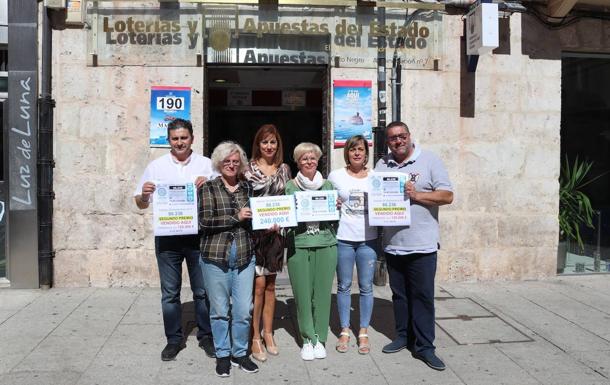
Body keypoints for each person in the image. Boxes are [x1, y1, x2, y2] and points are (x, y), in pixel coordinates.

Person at [133, 118, 215, 361]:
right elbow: (139, 203)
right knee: (170, 293)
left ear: (192, 138)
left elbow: (222, 194)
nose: (180, 142)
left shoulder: (207, 164)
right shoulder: (156, 166)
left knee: (202, 291)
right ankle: (174, 340)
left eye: (184, 138)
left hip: (197, 236)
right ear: (168, 140)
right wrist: (144, 195)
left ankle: (206, 336)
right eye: (175, 138)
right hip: (168, 239)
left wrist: (209, 184)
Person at [375, 121, 453, 371]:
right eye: (392, 138)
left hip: (422, 245)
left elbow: (447, 195)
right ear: (387, 142)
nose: (398, 141)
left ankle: (425, 347)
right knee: (399, 295)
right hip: (394, 245)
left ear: (409, 137)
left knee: (422, 297)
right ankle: (403, 336)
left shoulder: (429, 160)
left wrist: (416, 195)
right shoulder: (381, 164)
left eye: (401, 136)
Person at [199, 141, 259, 377]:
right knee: (220, 310)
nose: (232, 165)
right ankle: (223, 354)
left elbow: (254, 220)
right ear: (219, 163)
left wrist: (270, 222)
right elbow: (205, 221)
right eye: (227, 161)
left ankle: (240, 353)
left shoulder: (248, 188)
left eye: (236, 161)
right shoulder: (208, 188)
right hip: (215, 257)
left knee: (244, 310)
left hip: (245, 257)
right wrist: (236, 216)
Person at [285, 142, 338, 361]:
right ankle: (307, 339)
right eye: (304, 158)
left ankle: (320, 338)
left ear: (318, 160)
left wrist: (338, 208)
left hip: (326, 243)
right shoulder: (290, 185)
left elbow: (335, 219)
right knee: (303, 294)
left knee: (323, 294)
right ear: (297, 162)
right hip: (299, 243)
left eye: (312, 158)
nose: (309, 161)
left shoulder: (328, 186)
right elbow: (285, 215)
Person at [244, 124, 292, 362]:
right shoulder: (248, 169)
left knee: (272, 285)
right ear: (258, 144)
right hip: (255, 235)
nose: (269, 146)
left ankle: (269, 333)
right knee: (258, 286)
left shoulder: (284, 169)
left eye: (273, 142)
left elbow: (289, 199)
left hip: (276, 234)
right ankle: (254, 336)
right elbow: (243, 199)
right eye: (265, 142)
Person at [328, 135, 377, 355]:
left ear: (366, 153)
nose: (357, 153)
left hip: (368, 239)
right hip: (344, 238)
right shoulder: (336, 176)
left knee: (366, 287)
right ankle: (345, 330)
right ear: (346, 152)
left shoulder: (376, 176)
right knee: (344, 285)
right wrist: (333, 202)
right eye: (352, 149)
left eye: (360, 149)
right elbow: (326, 201)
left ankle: (363, 331)